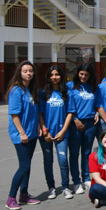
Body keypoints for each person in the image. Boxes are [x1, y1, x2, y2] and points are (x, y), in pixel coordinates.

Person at [5, 61, 40, 210]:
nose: (28, 73)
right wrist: (22, 133)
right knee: (24, 165)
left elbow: (34, 112)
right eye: (25, 71)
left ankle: (24, 194)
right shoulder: (16, 90)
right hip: (21, 135)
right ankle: (11, 198)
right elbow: (14, 114)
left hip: (31, 134)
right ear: (19, 73)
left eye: (30, 71)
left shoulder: (30, 90)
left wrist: (37, 127)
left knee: (27, 165)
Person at [38, 65, 75, 200]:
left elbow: (70, 113)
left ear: (61, 76)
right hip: (46, 134)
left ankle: (65, 187)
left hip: (62, 134)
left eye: (57, 74)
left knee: (63, 160)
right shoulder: (43, 93)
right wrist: (44, 131)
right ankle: (51, 188)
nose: (54, 77)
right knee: (48, 161)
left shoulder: (67, 93)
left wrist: (63, 131)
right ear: (48, 77)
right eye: (51, 75)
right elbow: (40, 113)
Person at [67, 63, 101, 195]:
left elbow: (98, 104)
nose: (83, 77)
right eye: (81, 74)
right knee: (74, 153)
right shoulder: (70, 86)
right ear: (77, 73)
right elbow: (67, 107)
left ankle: (86, 178)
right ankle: (76, 181)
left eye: (86, 75)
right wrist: (75, 119)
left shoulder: (93, 87)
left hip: (90, 123)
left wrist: (97, 113)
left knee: (86, 153)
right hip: (75, 123)